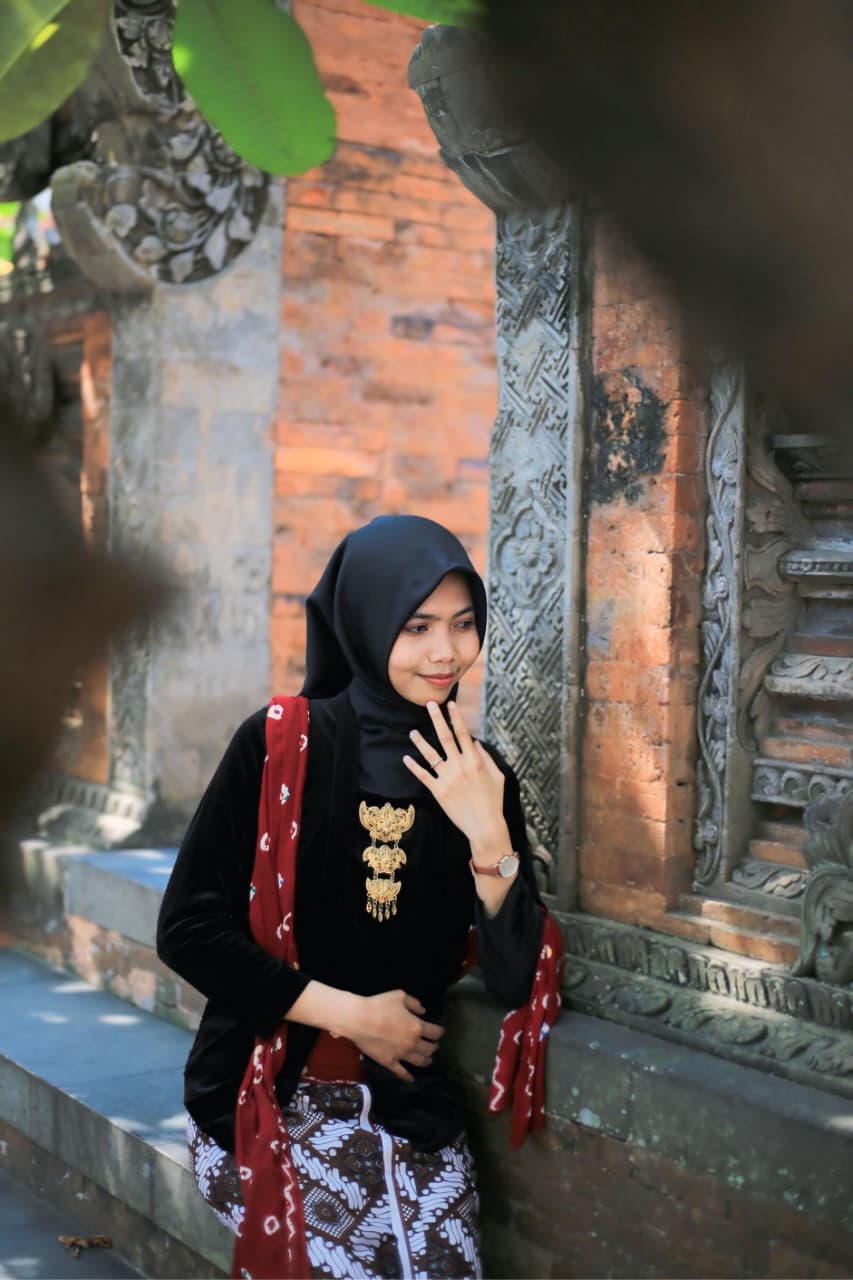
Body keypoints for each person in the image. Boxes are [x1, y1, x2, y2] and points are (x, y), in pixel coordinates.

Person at [157, 515, 562, 1280]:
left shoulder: (477, 776)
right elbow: (187, 928)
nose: (446, 652)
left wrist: (486, 835)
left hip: (408, 1112)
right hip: (262, 1094)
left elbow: (514, 980)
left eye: (464, 624)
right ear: (365, 623)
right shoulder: (277, 746)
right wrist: (349, 1014)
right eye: (417, 627)